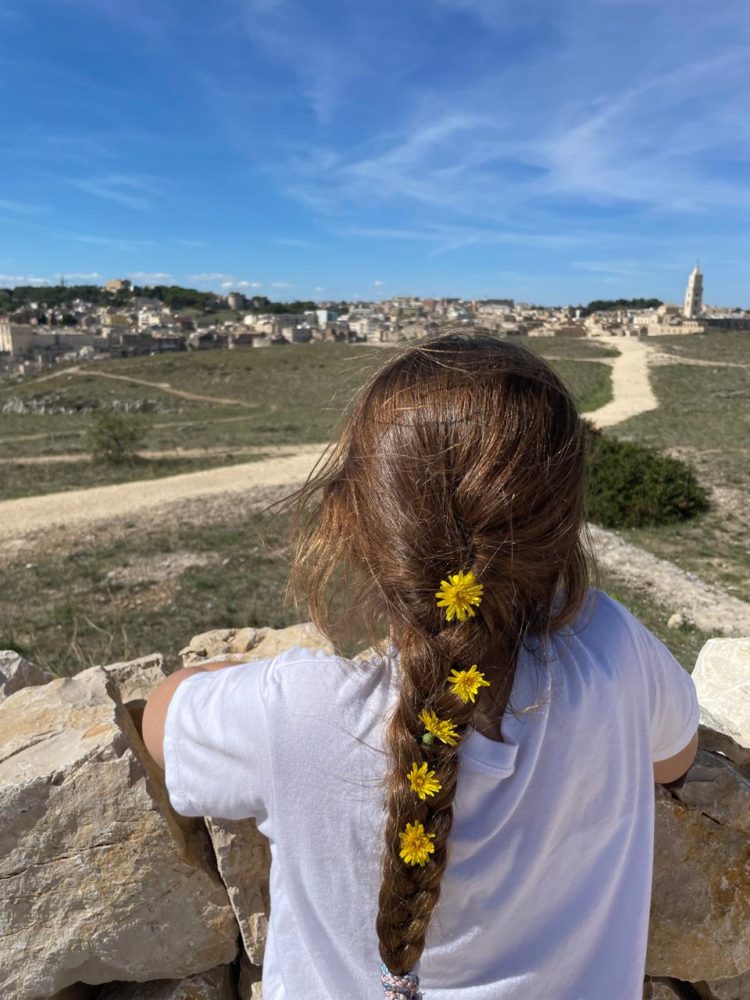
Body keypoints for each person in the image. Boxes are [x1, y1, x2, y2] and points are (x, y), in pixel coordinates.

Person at [142, 331, 700, 1000]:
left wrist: (222, 673)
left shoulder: (299, 709)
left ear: (358, 519)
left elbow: (161, 723)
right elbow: (675, 755)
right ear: (559, 521)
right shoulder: (612, 647)